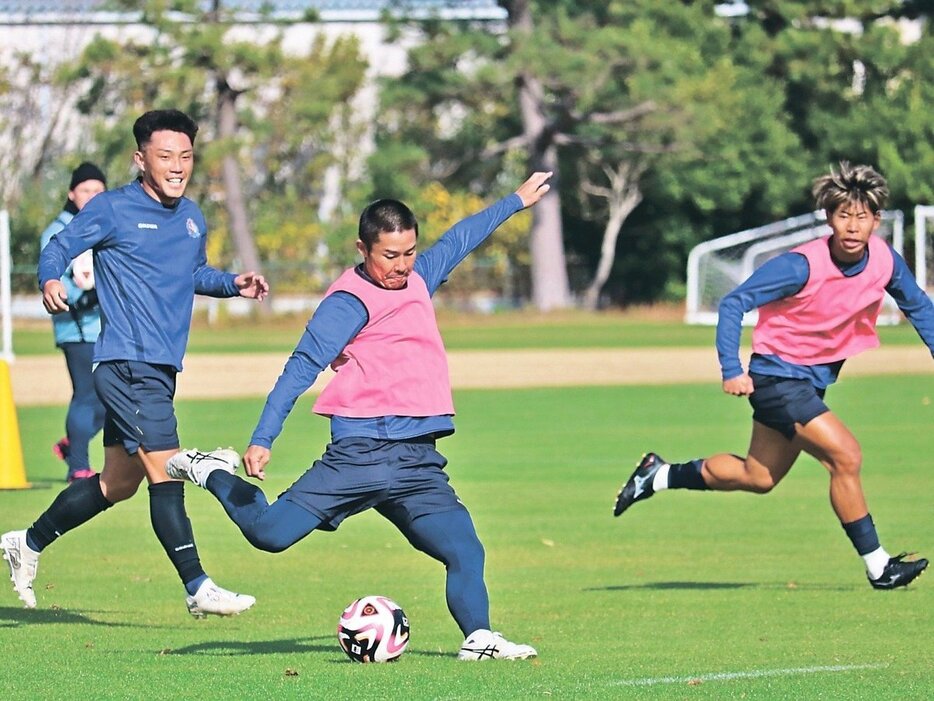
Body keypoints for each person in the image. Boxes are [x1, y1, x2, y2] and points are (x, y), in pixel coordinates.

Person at [165, 171, 553, 659]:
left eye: (409, 252)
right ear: (363, 248)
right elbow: (300, 368)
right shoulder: (347, 302)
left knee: (465, 549)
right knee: (269, 534)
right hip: (360, 454)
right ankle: (210, 470)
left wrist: (516, 200)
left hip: (416, 462)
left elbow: (461, 237)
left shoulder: (420, 277)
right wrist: (263, 438)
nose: (402, 265)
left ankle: (479, 638)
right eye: (390, 255)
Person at [614, 162, 931, 590]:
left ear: (876, 220)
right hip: (778, 379)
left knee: (758, 477)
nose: (852, 226)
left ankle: (658, 475)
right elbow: (733, 303)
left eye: (861, 217)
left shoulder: (885, 262)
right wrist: (732, 369)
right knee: (846, 457)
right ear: (828, 217)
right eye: (843, 215)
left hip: (808, 382)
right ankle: (879, 567)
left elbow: (919, 306)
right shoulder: (800, 265)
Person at [2, 109, 269, 616]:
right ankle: (198, 586)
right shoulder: (112, 208)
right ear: (140, 159)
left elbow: (193, 274)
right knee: (165, 470)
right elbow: (60, 245)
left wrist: (232, 283)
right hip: (126, 362)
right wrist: (50, 278)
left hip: (160, 367)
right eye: (165, 155)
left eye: (185, 156)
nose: (177, 166)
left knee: (116, 484)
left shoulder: (192, 217)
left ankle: (27, 542)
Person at [40, 162, 108, 482]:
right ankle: (78, 466)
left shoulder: (107, 225)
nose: (93, 196)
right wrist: (78, 290)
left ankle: (73, 443)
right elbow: (53, 278)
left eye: (98, 190)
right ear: (72, 193)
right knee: (85, 393)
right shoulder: (58, 230)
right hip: (76, 328)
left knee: (116, 394)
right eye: (86, 190)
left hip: (108, 328)